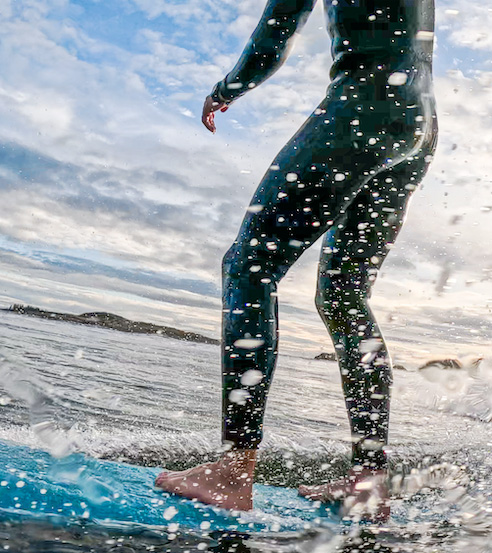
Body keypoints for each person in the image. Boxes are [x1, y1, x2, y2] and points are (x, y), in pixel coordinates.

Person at [155, 0, 438, 512]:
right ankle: (368, 481)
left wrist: (224, 91)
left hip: (361, 107)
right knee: (345, 297)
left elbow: (274, 35)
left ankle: (234, 468)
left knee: (248, 266)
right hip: (418, 124)